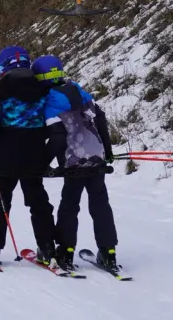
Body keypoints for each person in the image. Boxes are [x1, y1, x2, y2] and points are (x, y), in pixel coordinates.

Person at [0, 45, 66, 267]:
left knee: (0, 201)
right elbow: (52, 121)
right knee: (38, 203)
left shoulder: (1, 91)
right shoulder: (42, 89)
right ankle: (48, 249)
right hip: (35, 156)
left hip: (4, 158)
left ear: (2, 66)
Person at [33, 54, 119, 273]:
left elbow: (58, 138)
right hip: (96, 157)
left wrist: (43, 163)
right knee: (100, 205)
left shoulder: (50, 102)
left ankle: (66, 251)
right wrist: (107, 151)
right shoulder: (80, 91)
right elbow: (100, 120)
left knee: (69, 206)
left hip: (73, 162)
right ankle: (109, 252)